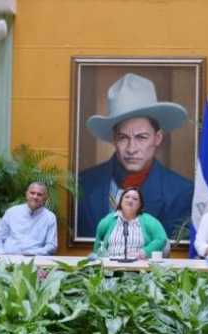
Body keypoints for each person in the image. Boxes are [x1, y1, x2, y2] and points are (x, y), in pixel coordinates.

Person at [78, 73, 193, 239]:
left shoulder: (181, 191)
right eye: (123, 137)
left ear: (157, 138)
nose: (132, 149)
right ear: (113, 139)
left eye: (141, 137)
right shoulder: (84, 184)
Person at [93, 187, 168, 259]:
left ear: (140, 205)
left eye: (135, 199)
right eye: (127, 197)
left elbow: (161, 239)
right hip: (110, 266)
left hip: (139, 267)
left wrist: (143, 253)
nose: (130, 200)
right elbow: (98, 243)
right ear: (121, 201)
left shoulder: (149, 220)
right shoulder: (108, 220)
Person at [0, 182, 58, 255]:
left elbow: (51, 246)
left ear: (45, 198)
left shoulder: (50, 217)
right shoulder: (11, 212)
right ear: (26, 194)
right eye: (32, 193)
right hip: (8, 258)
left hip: (35, 259)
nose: (35, 197)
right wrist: (1, 255)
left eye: (39, 194)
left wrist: (31, 253)